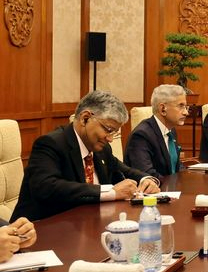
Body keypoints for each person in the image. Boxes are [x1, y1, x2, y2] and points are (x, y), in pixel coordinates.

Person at [12, 91, 160, 221]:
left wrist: (146, 180)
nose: (110, 139)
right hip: (40, 229)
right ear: (85, 118)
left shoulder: (101, 149)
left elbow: (122, 169)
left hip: (88, 225)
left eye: (114, 132)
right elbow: (47, 188)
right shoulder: (51, 144)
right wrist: (110, 192)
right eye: (108, 130)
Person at [125, 84, 188, 179]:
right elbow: (147, 174)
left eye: (186, 107)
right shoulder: (141, 136)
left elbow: (176, 166)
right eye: (180, 106)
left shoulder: (171, 131)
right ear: (163, 109)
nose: (186, 112)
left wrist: (188, 177)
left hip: (172, 186)